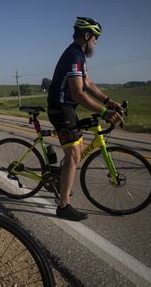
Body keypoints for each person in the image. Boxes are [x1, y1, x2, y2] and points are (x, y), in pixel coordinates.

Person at [47, 17, 123, 221]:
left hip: (68, 108)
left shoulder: (79, 54)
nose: (96, 42)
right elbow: (79, 93)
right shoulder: (74, 55)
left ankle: (58, 178)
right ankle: (63, 206)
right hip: (61, 108)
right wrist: (105, 112)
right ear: (88, 35)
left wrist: (109, 101)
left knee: (78, 150)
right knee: (73, 155)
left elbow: (88, 83)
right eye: (96, 38)